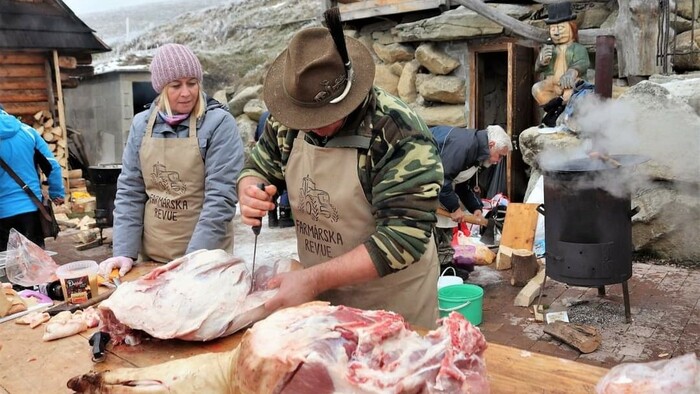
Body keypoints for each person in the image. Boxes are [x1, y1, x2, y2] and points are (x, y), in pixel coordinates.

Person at [237, 8, 444, 328]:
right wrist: (249, 190)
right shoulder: (292, 118)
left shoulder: (397, 132)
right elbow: (260, 164)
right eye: (305, 119)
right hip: (318, 298)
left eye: (323, 119)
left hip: (389, 304)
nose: (312, 127)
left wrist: (313, 280)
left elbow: (403, 238)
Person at [99, 43, 244, 277]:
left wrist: (192, 260)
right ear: (161, 88)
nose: (186, 92)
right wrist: (124, 250)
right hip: (152, 259)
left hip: (204, 259)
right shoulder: (141, 124)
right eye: (176, 85)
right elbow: (130, 190)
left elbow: (220, 197)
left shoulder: (218, 123)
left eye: (192, 83)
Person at [430, 125, 512, 276]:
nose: (498, 161)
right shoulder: (463, 146)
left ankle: (445, 264)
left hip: (442, 186)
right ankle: (437, 270)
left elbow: (463, 184)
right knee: (434, 228)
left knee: (446, 225)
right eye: (499, 156)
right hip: (428, 183)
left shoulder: (477, 153)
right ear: (491, 145)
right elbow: (442, 179)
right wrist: (454, 208)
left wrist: (476, 207)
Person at [0, 109, 65, 251]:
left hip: (2, 214)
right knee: (35, 264)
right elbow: (52, 165)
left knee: (5, 267)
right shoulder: (27, 131)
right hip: (30, 209)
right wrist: (56, 193)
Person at [531, 2, 590, 127]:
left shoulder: (577, 48)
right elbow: (537, 69)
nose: (557, 33)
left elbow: (583, 62)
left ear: (572, 28)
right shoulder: (550, 49)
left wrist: (572, 71)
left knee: (570, 94)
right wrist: (541, 62)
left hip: (570, 84)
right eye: (553, 29)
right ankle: (554, 111)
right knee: (537, 89)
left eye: (561, 28)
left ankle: (566, 115)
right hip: (553, 86)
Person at [254, 111, 293, 228]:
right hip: (275, 147)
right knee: (286, 186)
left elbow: (256, 136)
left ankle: (273, 219)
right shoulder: (275, 118)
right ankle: (285, 215)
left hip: (268, 147)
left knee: (270, 192)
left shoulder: (263, 117)